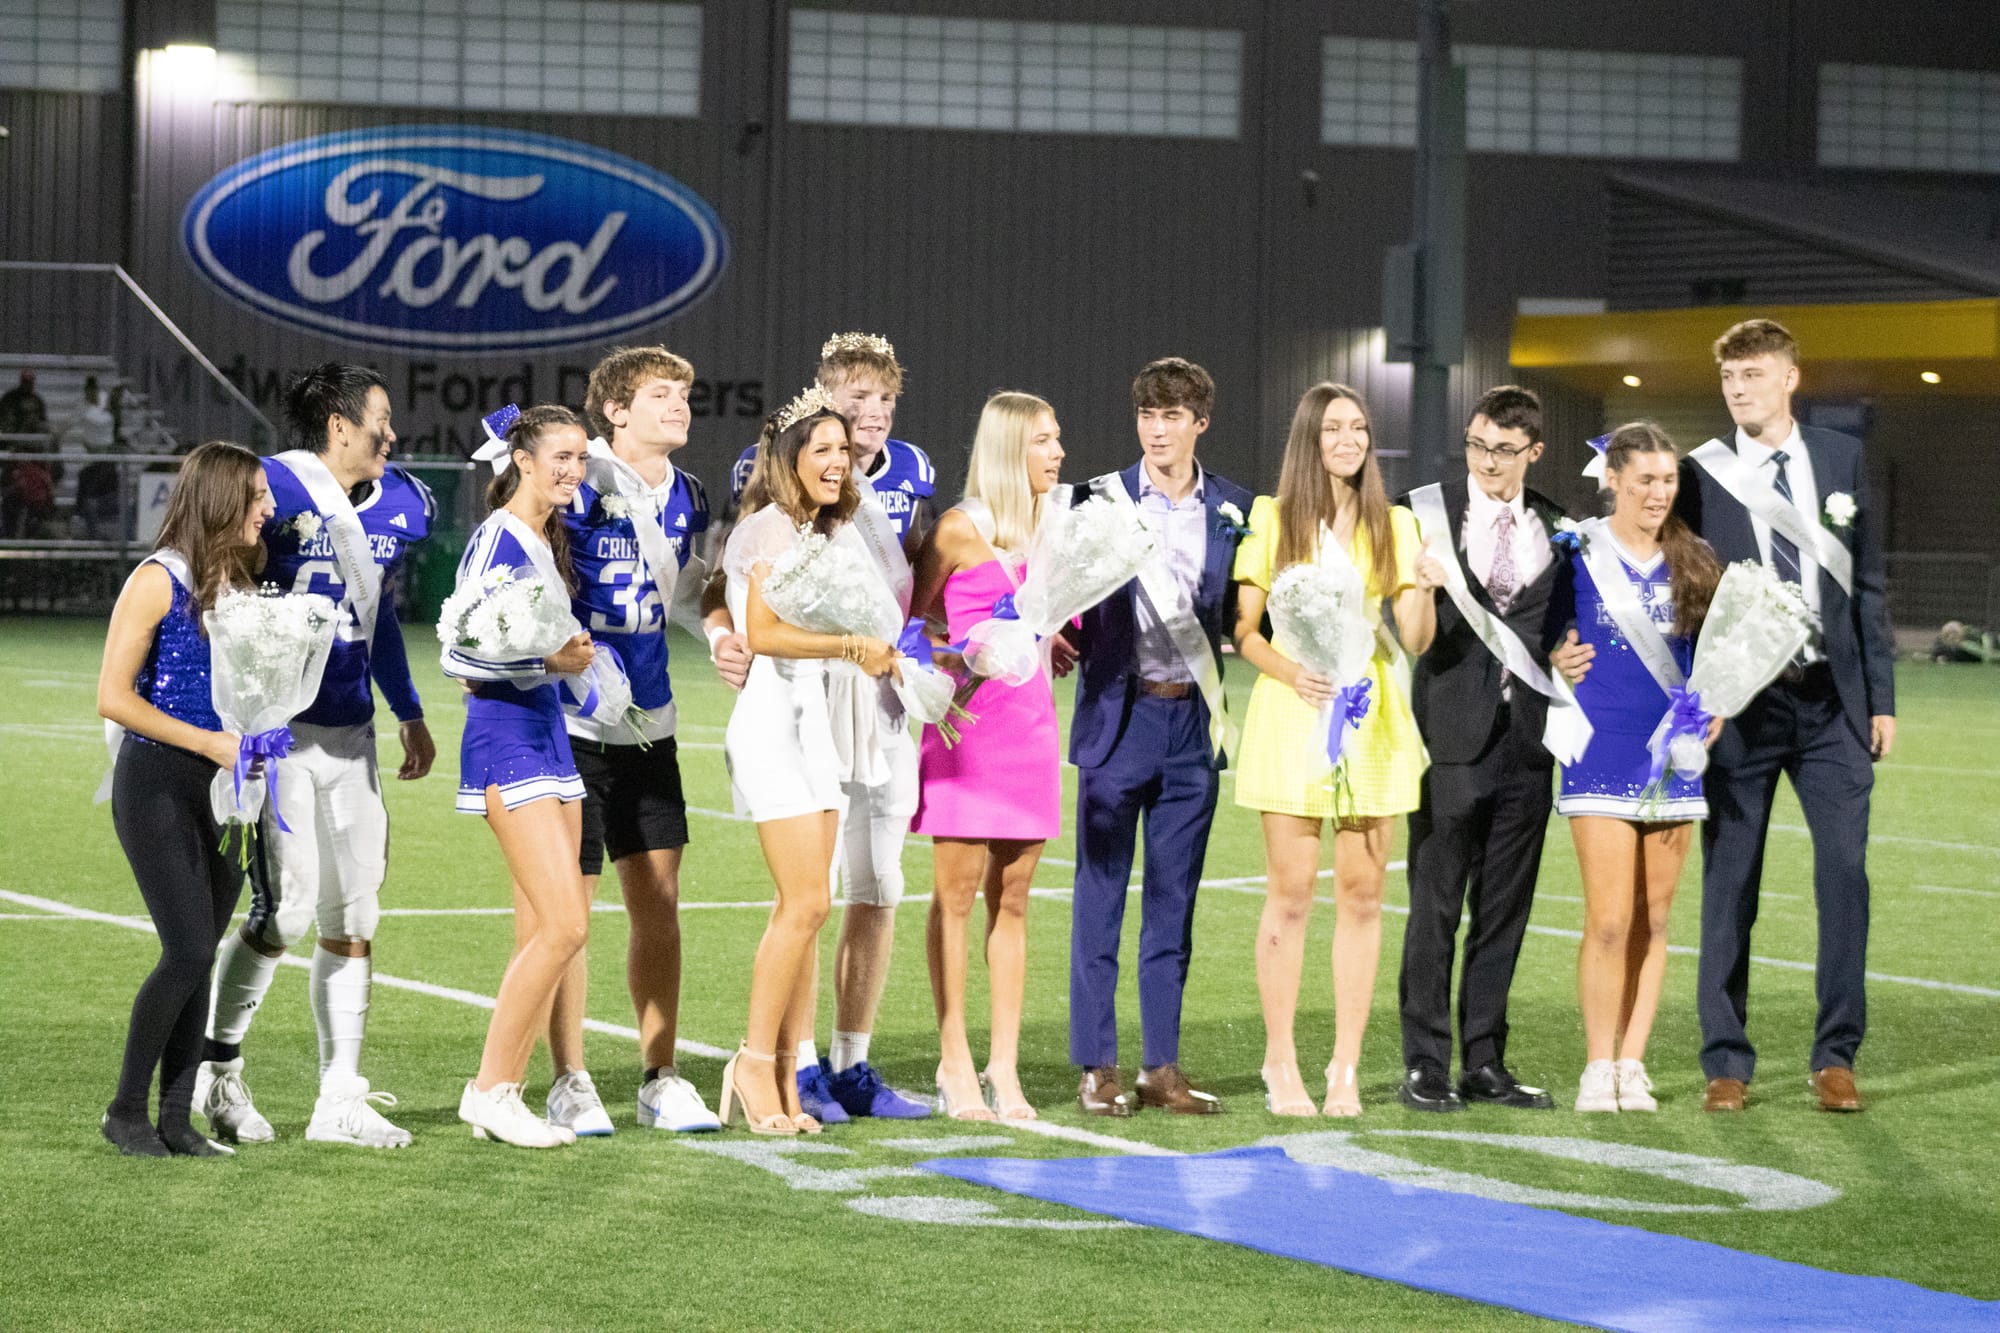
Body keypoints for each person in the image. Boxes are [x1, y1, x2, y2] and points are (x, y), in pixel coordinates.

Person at [192, 365, 435, 1148]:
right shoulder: (270, 488)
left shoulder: (401, 502)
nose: (390, 436)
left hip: (353, 734)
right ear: (338, 425)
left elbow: (381, 613)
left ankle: (340, 1098)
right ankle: (217, 1070)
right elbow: (216, 590)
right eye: (380, 420)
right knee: (286, 909)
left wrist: (410, 709)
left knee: (354, 912)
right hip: (283, 737)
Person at [1676, 319, 1895, 1114]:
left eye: (1755, 375)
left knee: (1844, 876)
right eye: (1731, 378)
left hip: (1833, 703)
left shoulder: (1840, 457)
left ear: (1790, 378)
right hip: (1742, 706)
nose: (1740, 390)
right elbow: (1683, 589)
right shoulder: (1702, 472)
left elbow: (1865, 586)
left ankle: (1836, 1055)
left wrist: (1882, 700)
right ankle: (1726, 1060)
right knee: (1731, 882)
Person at [718, 332, 935, 1123]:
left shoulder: (857, 511)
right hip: (785, 711)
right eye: (832, 436)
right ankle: (770, 1064)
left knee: (831, 895)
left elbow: (912, 582)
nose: (846, 447)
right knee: (808, 900)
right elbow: (755, 622)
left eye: (873, 413)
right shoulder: (771, 521)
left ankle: (793, 1072)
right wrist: (847, 644)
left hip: (837, 713)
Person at [511, 346, 720, 1138]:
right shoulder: (576, 474)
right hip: (570, 720)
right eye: (660, 394)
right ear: (616, 412)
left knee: (659, 903)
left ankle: (661, 1076)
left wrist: (724, 627)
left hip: (652, 720)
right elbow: (519, 558)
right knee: (567, 910)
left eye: (684, 392)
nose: (678, 404)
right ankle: (568, 1077)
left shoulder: (687, 492)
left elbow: (687, 584)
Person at [1231, 383, 1443, 1116]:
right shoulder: (1272, 518)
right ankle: (1280, 1061)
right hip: (1296, 713)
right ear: (1309, 439)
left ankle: (1345, 1066)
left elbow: (1414, 637)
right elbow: (1245, 632)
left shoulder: (1399, 523)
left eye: (1358, 427)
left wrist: (1425, 588)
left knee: (1363, 896)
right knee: (1290, 895)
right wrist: (1298, 674)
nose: (1348, 439)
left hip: (1373, 715)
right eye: (1333, 428)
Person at [1065, 358, 1254, 1117]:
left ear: (1200, 422)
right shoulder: (1096, 498)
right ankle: (1098, 1065)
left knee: (1174, 903)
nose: (1157, 428)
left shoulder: (1237, 507)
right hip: (1119, 716)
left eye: (1172, 415)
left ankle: (1160, 1064)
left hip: (1191, 725)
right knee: (1099, 900)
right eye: (1147, 413)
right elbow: (1057, 588)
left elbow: (1249, 616)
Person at [95, 441, 274, 1156]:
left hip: (231, 788)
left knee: (203, 952)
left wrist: (262, 733)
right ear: (222, 500)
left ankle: (176, 1118)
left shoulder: (240, 584)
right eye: (256, 496)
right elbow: (111, 697)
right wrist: (209, 744)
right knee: (188, 946)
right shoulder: (157, 579)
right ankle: (124, 1110)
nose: (268, 507)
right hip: (159, 782)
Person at [1395, 387, 1571, 1113]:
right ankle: (1426, 1063)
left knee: (1506, 910)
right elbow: (1411, 634)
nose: (1486, 462)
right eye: (1475, 445)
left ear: (1534, 450)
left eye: (1502, 449)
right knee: (1434, 906)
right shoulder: (1422, 512)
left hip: (1530, 742)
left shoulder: (1562, 527)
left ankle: (1486, 1060)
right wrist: (1416, 583)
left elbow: (1564, 632)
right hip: (1450, 739)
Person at [1548, 422, 1722, 1112]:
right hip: (1600, 747)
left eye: (1668, 479)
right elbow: (1540, 632)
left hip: (1674, 753)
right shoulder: (1575, 551)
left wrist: (1721, 707)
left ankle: (1632, 1062)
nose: (1658, 492)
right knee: (1611, 917)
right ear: (1613, 477)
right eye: (1645, 479)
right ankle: (1597, 1063)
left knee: (1654, 917)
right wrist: (1555, 656)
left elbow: (1716, 656)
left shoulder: (1695, 556)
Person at [910, 391, 1067, 1121]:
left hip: (1030, 727)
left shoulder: (1054, 529)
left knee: (1015, 898)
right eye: (1043, 440)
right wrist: (961, 650)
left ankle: (1004, 1066)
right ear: (1010, 449)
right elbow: (913, 625)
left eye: (1056, 438)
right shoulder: (957, 530)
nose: (1057, 452)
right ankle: (954, 1061)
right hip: (967, 729)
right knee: (956, 896)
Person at [445, 405, 597, 1148]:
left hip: (549, 735)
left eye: (580, 458)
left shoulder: (542, 537)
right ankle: (491, 1090)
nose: (572, 469)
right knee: (566, 922)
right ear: (524, 460)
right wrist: (551, 663)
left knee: (547, 927)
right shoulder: (497, 538)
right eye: (560, 457)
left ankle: (503, 1089)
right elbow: (458, 658)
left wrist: (577, 671)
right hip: (508, 738)